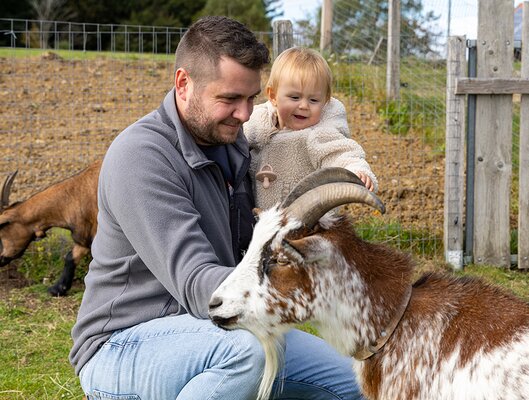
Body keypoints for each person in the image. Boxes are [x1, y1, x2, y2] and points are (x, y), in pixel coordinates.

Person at [69, 16, 364, 400]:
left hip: (221, 329)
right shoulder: (141, 157)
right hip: (124, 344)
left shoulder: (234, 144)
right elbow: (196, 284)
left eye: (252, 98)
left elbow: (251, 249)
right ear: (183, 84)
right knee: (248, 356)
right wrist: (289, 291)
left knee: (355, 382)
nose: (244, 114)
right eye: (229, 99)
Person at [244, 47, 378, 210]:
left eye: (314, 100)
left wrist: (356, 172)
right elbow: (236, 144)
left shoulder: (319, 134)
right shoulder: (257, 124)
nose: (304, 106)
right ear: (273, 96)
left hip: (309, 223)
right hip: (262, 220)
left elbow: (342, 154)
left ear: (325, 102)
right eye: (295, 97)